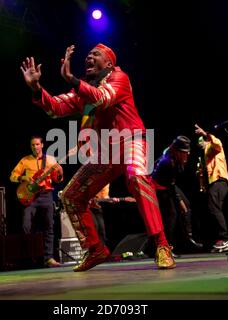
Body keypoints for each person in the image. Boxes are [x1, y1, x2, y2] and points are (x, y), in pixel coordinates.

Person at [20, 43, 176, 271]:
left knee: (136, 177)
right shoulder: (84, 90)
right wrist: (36, 88)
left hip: (132, 139)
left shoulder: (119, 77)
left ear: (109, 63)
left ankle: (162, 245)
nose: (89, 58)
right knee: (71, 196)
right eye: (88, 55)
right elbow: (55, 108)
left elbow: (103, 98)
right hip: (107, 150)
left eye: (95, 54)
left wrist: (72, 79)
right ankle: (95, 249)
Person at [10, 135, 63, 267]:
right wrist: (23, 178)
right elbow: (12, 176)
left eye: (37, 144)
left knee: (49, 226)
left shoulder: (50, 160)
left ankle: (48, 258)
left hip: (46, 195)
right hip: (30, 197)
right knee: (26, 226)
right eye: (33, 145)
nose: (35, 147)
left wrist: (60, 173)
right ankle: (29, 258)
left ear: (42, 145)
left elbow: (57, 180)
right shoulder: (25, 160)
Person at [152, 136, 203, 252]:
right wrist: (179, 202)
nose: (188, 154)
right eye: (185, 152)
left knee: (187, 206)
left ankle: (189, 239)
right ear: (177, 152)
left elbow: (172, 183)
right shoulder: (168, 162)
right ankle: (166, 248)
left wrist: (182, 203)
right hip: (159, 188)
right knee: (171, 216)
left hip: (169, 184)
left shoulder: (173, 156)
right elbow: (171, 187)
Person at [194, 124, 228, 253]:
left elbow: (218, 144)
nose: (200, 145)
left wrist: (205, 133)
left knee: (213, 208)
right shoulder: (204, 154)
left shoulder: (214, 146)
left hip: (219, 180)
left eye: (201, 142)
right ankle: (221, 239)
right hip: (213, 183)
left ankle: (225, 239)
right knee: (214, 209)